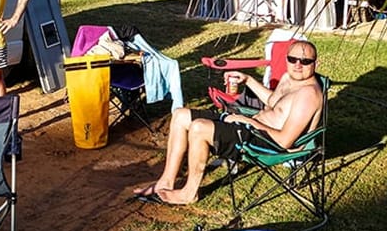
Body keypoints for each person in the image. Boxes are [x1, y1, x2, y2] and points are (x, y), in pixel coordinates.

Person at [133, 40, 324, 205]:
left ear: (316, 63)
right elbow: (274, 103)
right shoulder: (288, 78)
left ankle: (189, 193)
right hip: (249, 128)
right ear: (287, 59)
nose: (298, 64)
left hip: (265, 143)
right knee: (181, 115)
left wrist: (246, 120)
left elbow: (283, 142)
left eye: (305, 61)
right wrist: (248, 79)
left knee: (199, 128)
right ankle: (166, 181)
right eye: (293, 59)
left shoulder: (308, 94)